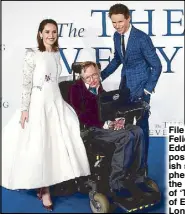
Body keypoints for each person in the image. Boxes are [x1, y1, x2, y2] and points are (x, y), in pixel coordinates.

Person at [1, 19, 90, 211]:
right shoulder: (32, 54)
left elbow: (55, 79)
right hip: (38, 104)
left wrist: (80, 79)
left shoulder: (57, 53)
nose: (51, 35)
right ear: (40, 33)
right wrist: (25, 109)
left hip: (55, 102)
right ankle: (46, 189)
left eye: (54, 32)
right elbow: (26, 83)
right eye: (47, 32)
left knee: (56, 143)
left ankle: (46, 184)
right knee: (41, 145)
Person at [100, 3, 162, 171]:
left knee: (141, 128)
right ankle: (129, 166)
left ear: (128, 18)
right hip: (125, 88)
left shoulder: (141, 38)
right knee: (127, 129)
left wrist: (147, 90)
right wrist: (100, 76)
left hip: (141, 89)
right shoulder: (116, 36)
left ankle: (142, 167)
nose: (117, 26)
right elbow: (118, 60)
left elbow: (157, 65)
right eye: (114, 22)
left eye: (120, 21)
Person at [69, 61, 147, 192]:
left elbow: (108, 108)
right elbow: (80, 116)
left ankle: (137, 177)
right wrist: (105, 123)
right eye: (88, 77)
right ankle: (116, 182)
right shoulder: (75, 90)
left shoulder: (99, 87)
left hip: (105, 125)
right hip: (91, 130)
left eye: (95, 75)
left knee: (137, 131)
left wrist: (118, 120)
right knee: (126, 136)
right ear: (82, 78)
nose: (93, 79)